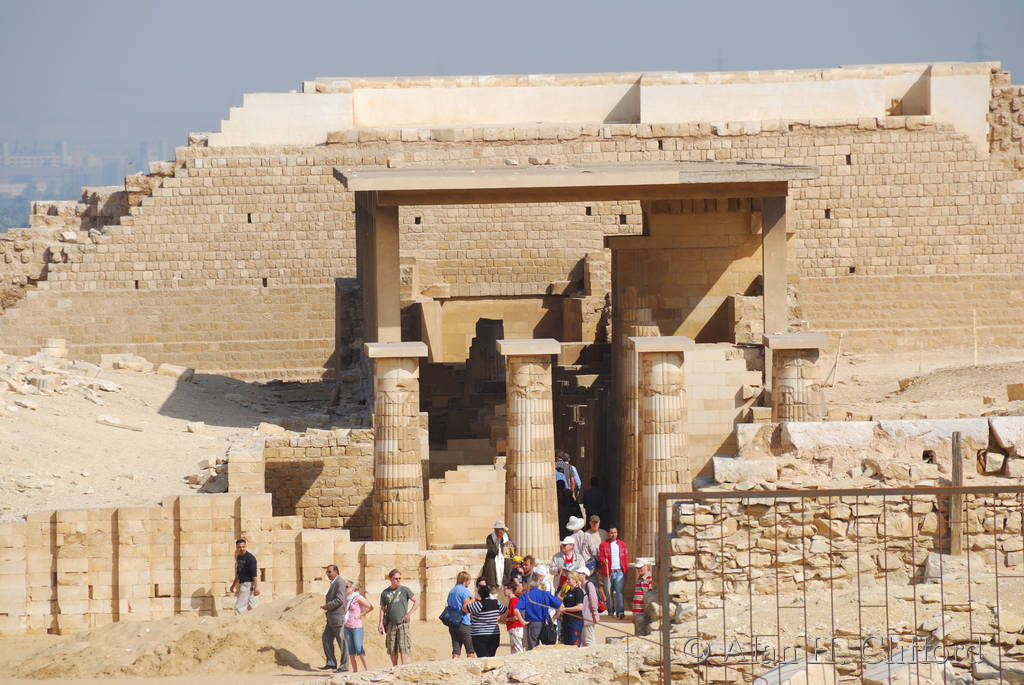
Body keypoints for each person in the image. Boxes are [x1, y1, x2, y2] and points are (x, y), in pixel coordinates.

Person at [377, 568, 419, 666]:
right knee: (391, 646)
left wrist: (408, 614)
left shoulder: (405, 590)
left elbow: (416, 601)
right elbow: (382, 608)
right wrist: (380, 623)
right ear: (390, 579)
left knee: (403, 645)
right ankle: (395, 667)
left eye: (399, 578)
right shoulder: (385, 593)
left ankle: (403, 666)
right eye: (396, 578)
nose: (398, 580)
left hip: (402, 623)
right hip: (391, 623)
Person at [518, 576, 562, 650]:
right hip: (545, 623)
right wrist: (553, 618)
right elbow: (561, 607)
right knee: (546, 648)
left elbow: (516, 610)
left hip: (532, 624)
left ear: (529, 584)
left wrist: (522, 621)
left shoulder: (527, 595)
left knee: (533, 648)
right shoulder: (545, 594)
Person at [320, 564, 349, 672]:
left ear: (336, 572)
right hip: (331, 618)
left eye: (329, 572)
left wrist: (327, 606)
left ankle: (344, 666)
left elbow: (339, 599)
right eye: (327, 572)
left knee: (342, 642)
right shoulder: (334, 583)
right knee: (326, 639)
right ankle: (331, 663)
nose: (327, 574)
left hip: (337, 617)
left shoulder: (340, 582)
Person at [465, 583, 507, 657]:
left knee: (482, 657)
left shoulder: (478, 604)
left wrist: (474, 599)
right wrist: (499, 618)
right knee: (491, 656)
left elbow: (465, 608)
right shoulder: (496, 603)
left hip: (479, 635)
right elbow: (505, 610)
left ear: (479, 594)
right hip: (494, 635)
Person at [598, 526, 629, 619]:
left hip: (619, 572)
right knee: (608, 592)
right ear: (608, 534)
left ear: (617, 533)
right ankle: (610, 610)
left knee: (619, 592)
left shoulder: (622, 544)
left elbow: (625, 557)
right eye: (611, 533)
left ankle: (620, 611)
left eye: (615, 532)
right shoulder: (603, 544)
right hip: (608, 572)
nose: (613, 534)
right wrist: (603, 560)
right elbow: (600, 556)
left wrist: (625, 569)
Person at [343, 579, 373, 672]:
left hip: (356, 627)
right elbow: (344, 610)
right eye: (344, 586)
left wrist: (361, 614)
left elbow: (370, 607)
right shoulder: (345, 598)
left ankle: (367, 670)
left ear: (353, 588)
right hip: (347, 626)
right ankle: (355, 671)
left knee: (359, 648)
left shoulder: (357, 598)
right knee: (351, 650)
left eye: (347, 586)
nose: (345, 588)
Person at [446, 571, 475, 659]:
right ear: (465, 580)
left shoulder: (452, 591)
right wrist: (473, 600)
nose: (469, 583)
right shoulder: (464, 591)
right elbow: (465, 608)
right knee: (470, 650)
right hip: (464, 622)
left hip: (453, 622)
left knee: (456, 650)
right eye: (469, 580)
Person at [229, 538, 259, 615]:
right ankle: (257, 618)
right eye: (239, 547)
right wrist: (233, 584)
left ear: (246, 546)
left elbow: (254, 574)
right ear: (236, 547)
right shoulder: (239, 557)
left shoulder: (250, 558)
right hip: (243, 583)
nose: (241, 549)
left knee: (239, 607)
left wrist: (256, 587)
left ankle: (239, 621)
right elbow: (238, 572)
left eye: (243, 546)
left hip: (247, 584)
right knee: (250, 605)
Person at [482, 521, 514, 588]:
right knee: (491, 563)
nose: (500, 532)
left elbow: (512, 551)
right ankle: (492, 584)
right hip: (493, 556)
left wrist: (510, 545)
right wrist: (498, 540)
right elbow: (492, 551)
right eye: (498, 530)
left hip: (505, 555)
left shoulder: (507, 537)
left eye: (501, 530)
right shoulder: (490, 538)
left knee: (508, 562)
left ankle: (506, 583)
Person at [559, 571, 585, 646]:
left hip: (575, 621)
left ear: (575, 580)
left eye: (569, 579)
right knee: (566, 643)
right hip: (566, 620)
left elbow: (580, 607)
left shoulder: (578, 591)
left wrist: (565, 609)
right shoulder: (569, 591)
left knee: (574, 643)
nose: (567, 581)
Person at [502, 581, 525, 654]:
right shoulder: (513, 600)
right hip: (515, 628)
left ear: (511, 589)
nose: (503, 591)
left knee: (518, 651)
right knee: (515, 651)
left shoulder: (514, 600)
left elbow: (516, 617)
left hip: (515, 628)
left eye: (505, 589)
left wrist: (506, 619)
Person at [632, 561, 654, 637]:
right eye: (638, 568)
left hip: (643, 613)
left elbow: (651, 598)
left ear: (646, 566)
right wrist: (634, 614)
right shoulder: (639, 579)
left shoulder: (650, 579)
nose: (639, 570)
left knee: (642, 635)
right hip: (637, 613)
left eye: (640, 568)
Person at [580, 570, 601, 647]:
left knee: (589, 640)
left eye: (579, 573)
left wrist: (594, 614)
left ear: (584, 575)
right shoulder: (581, 586)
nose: (578, 575)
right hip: (583, 617)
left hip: (589, 616)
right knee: (584, 641)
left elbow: (593, 600)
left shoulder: (589, 585)